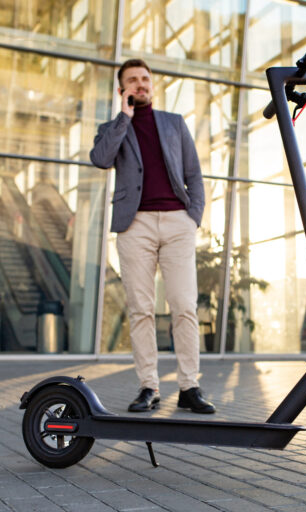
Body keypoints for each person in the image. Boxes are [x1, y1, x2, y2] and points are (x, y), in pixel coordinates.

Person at [90, 59, 215, 414]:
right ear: (122, 90)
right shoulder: (113, 127)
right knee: (141, 309)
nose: (140, 84)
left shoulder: (174, 123)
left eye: (145, 79)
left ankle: (190, 386)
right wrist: (124, 117)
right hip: (136, 225)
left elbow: (194, 173)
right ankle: (149, 386)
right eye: (132, 81)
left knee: (184, 306)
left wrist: (192, 218)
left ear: (152, 85)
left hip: (178, 222)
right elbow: (100, 159)